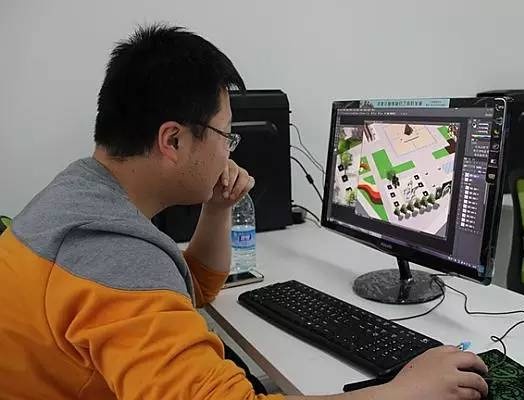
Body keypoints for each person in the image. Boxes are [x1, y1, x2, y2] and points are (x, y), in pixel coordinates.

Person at [0, 24, 488, 400]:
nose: (229, 149)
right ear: (173, 140)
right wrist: (403, 392)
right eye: (224, 135)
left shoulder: (77, 199)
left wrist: (218, 207)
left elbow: (191, 290)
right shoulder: (111, 255)